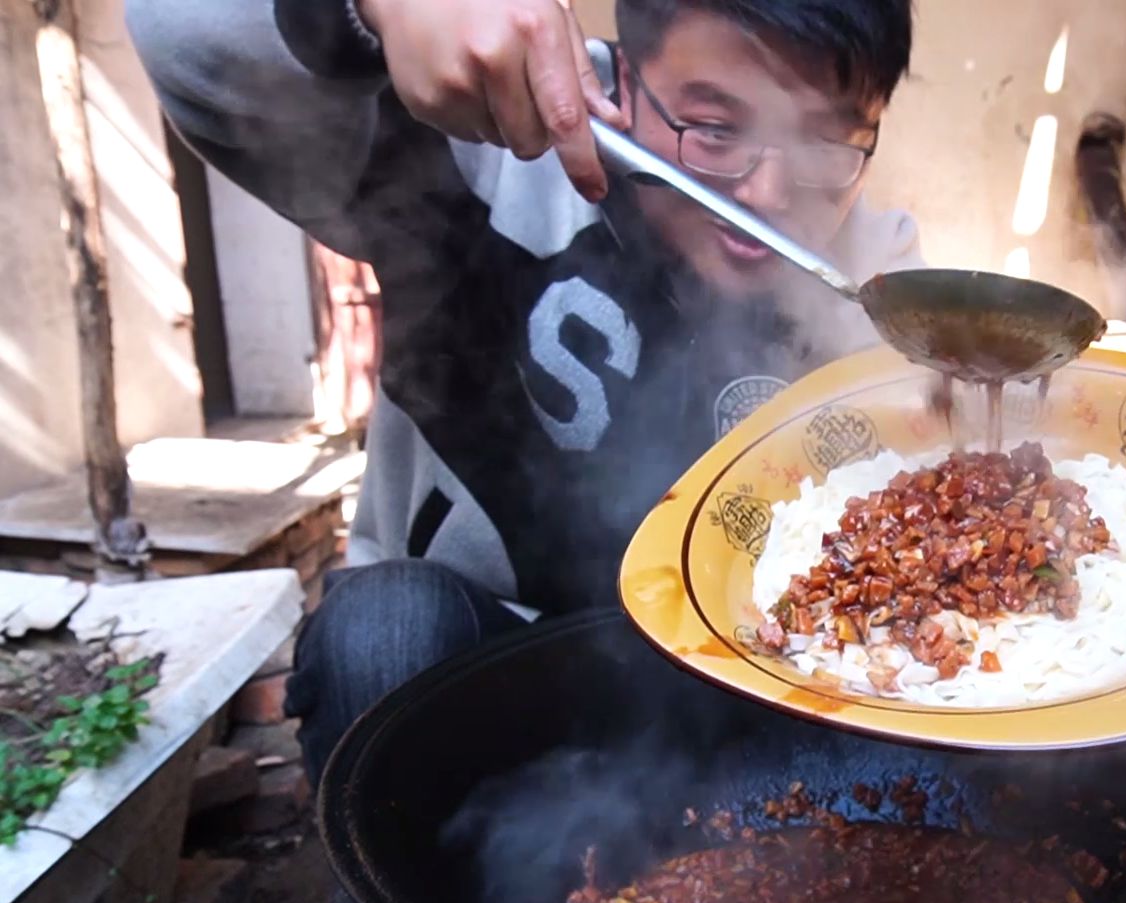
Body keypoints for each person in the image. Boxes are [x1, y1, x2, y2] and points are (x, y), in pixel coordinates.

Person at [126, 0, 922, 779]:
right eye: (714, 130)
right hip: (497, 655)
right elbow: (178, 35)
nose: (768, 194)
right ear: (623, 79)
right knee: (382, 629)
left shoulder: (878, 284)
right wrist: (383, 12)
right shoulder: (484, 151)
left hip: (735, 683)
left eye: (828, 141)